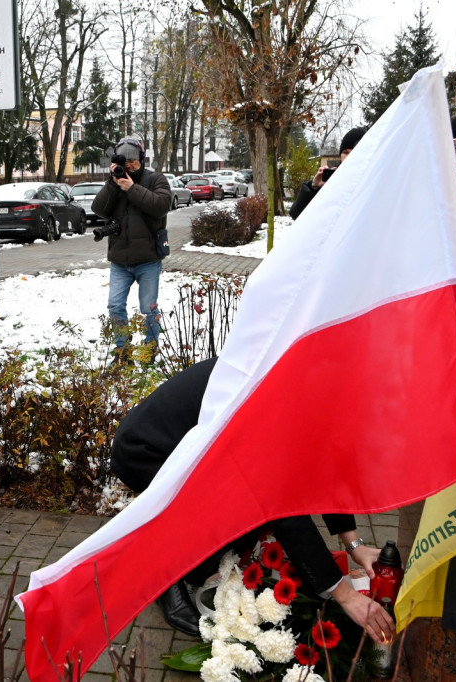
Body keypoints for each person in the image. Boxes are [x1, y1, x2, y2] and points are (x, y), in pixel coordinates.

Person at [111, 358, 396, 644]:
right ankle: (161, 575)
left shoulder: (311, 380)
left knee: (243, 512)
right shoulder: (275, 399)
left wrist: (354, 545)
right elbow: (282, 509)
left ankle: (199, 563)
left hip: (194, 447)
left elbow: (325, 462)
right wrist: (345, 596)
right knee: (242, 508)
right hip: (147, 450)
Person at [91, 137, 172, 362]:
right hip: (120, 260)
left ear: (141, 159)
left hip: (148, 259)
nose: (128, 165)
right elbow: (98, 209)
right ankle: (123, 351)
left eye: (133, 160)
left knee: (148, 308)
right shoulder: (115, 182)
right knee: (115, 305)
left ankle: (149, 351)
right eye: (124, 161)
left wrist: (132, 188)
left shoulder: (155, 179)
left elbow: (161, 206)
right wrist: (113, 183)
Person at [289, 127, 367, 220]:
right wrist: (314, 188)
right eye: (345, 152)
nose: (349, 157)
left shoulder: (373, 181)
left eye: (354, 152)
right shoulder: (332, 179)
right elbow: (296, 214)